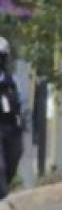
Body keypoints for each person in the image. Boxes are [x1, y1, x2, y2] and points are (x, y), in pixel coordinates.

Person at [0, 36, 25, 201]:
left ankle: (5, 187)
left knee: (14, 155)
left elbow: (21, 101)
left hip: (11, 126)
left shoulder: (12, 81)